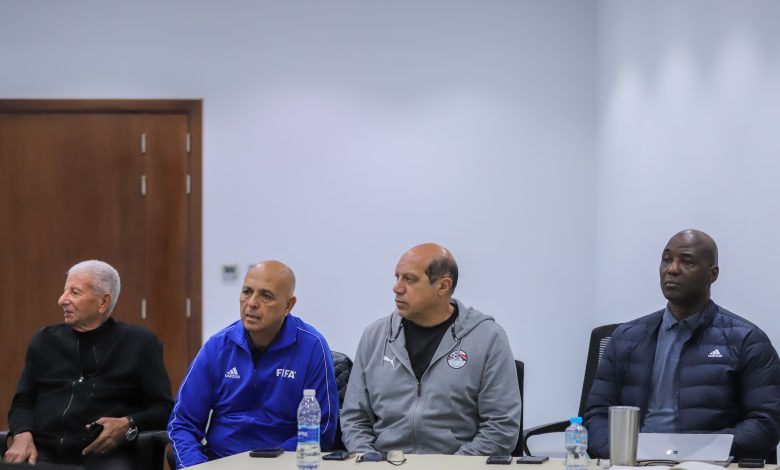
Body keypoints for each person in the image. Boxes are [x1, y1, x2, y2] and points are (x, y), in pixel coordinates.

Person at [584, 229, 780, 459]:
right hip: (633, 462)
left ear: (712, 274)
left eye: (687, 261)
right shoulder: (626, 338)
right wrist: (620, 453)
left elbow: (767, 421)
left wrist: (701, 453)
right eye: (667, 259)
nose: (672, 269)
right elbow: (596, 413)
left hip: (709, 464)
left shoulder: (746, 340)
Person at [341, 243, 521, 455]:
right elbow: (354, 420)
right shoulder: (375, 336)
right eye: (397, 277)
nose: (397, 288)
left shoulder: (488, 338)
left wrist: (451, 467)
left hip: (458, 464)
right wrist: (369, 460)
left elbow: (501, 429)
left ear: (443, 286)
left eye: (410, 279)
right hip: (385, 463)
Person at [4, 260, 173, 470]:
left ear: (103, 302)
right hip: (43, 453)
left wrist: (127, 423)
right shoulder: (44, 340)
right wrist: (22, 435)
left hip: (105, 456)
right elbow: (23, 402)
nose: (62, 300)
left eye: (74, 293)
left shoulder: (140, 343)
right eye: (64, 291)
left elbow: (163, 409)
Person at [168, 260, 339, 468]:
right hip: (221, 462)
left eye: (266, 296)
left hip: (284, 465)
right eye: (247, 292)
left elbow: (322, 431)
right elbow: (182, 424)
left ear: (288, 305)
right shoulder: (217, 347)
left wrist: (269, 464)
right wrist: (195, 466)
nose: (252, 303)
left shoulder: (312, 347)